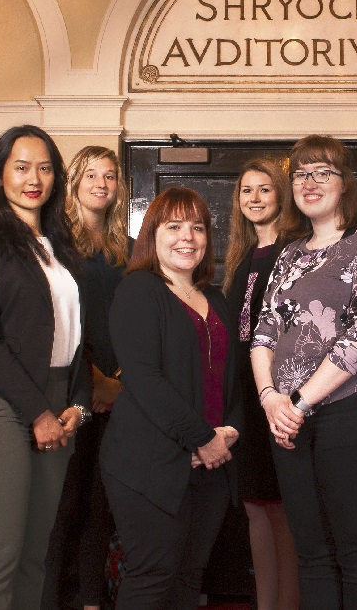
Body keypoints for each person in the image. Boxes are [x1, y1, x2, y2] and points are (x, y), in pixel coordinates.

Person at [252, 134, 357, 610]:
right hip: (287, 417)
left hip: (351, 409)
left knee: (354, 551)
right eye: (301, 174)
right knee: (309, 551)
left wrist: (298, 401)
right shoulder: (289, 254)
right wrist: (272, 398)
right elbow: (264, 333)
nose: (310, 182)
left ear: (344, 183)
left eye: (323, 172)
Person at [0, 124, 91, 610]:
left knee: (36, 554)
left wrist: (78, 402)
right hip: (1, 405)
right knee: (1, 554)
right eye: (21, 166)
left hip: (60, 402)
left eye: (45, 167)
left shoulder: (62, 248)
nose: (34, 178)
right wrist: (37, 413)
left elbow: (77, 337)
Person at [103, 186, 242, 609]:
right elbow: (144, 379)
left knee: (188, 580)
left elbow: (233, 378)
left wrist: (229, 433)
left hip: (212, 464)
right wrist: (202, 438)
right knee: (152, 577)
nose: (187, 237)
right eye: (174, 226)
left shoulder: (214, 297)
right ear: (152, 234)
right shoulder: (138, 290)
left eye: (197, 227)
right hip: (149, 462)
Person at [44, 145, 129, 610]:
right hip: (73, 390)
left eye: (110, 175)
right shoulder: (57, 245)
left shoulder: (126, 250)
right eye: (91, 175)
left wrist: (120, 383)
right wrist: (94, 381)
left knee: (102, 504)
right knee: (64, 505)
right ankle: (55, 598)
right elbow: (57, 324)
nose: (101, 183)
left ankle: (93, 599)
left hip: (121, 394)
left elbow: (136, 322)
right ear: (74, 182)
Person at [224, 158, 301, 610]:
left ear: (282, 195)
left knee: (283, 512)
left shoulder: (294, 251)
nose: (254, 198)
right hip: (244, 401)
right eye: (246, 191)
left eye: (264, 190)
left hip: (282, 397)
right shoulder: (240, 257)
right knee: (254, 508)